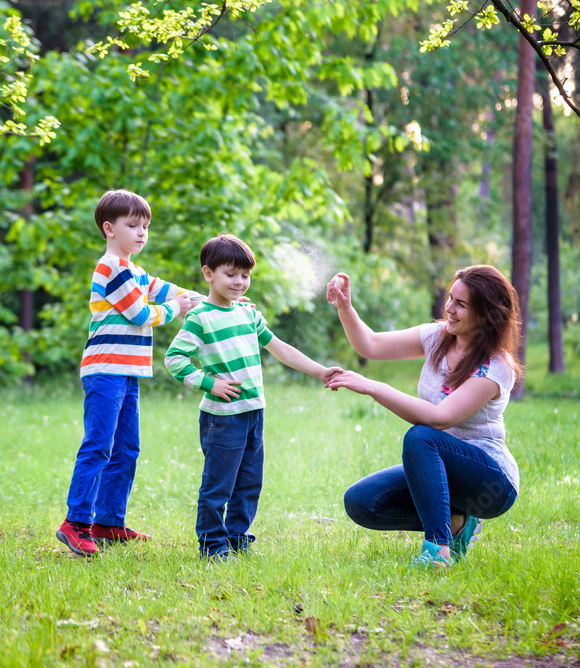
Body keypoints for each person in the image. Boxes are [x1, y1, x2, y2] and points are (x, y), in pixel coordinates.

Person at [323, 265, 522, 568]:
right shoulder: (437, 337)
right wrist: (345, 306)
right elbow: (370, 344)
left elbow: (440, 418)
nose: (449, 309)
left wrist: (373, 388)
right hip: (440, 468)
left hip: (491, 482)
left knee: (422, 436)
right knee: (362, 502)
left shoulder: (496, 366)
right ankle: (457, 522)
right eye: (450, 298)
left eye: (461, 304)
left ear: (486, 314)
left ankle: (437, 550)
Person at [165, 233, 342, 561]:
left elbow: (282, 349)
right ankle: (213, 545)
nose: (239, 281)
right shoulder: (200, 317)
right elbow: (174, 359)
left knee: (248, 482)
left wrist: (319, 371)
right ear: (209, 274)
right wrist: (208, 383)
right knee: (219, 486)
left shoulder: (248, 315)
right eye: (230, 274)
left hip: (253, 412)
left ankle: (236, 537)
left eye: (245, 275)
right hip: (222, 417)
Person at [56, 189, 200, 557]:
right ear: (109, 229)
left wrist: (217, 298)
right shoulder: (112, 268)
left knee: (126, 449)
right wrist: (175, 309)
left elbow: (171, 290)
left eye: (145, 226)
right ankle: (75, 523)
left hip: (127, 372)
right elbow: (141, 314)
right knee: (99, 445)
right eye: (133, 225)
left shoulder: (134, 271)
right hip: (104, 371)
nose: (141, 233)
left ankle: (108, 522)